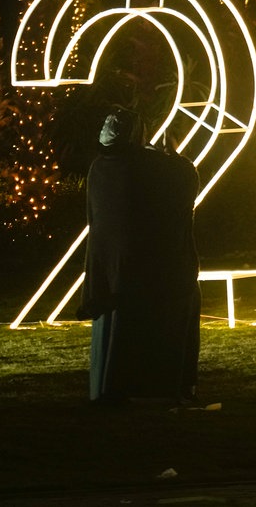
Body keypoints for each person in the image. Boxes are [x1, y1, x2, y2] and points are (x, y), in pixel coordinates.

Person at [76, 108, 201, 405]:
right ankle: (157, 385)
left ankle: (108, 386)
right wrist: (174, 157)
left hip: (110, 270)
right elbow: (184, 185)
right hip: (149, 273)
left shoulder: (100, 167)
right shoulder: (146, 166)